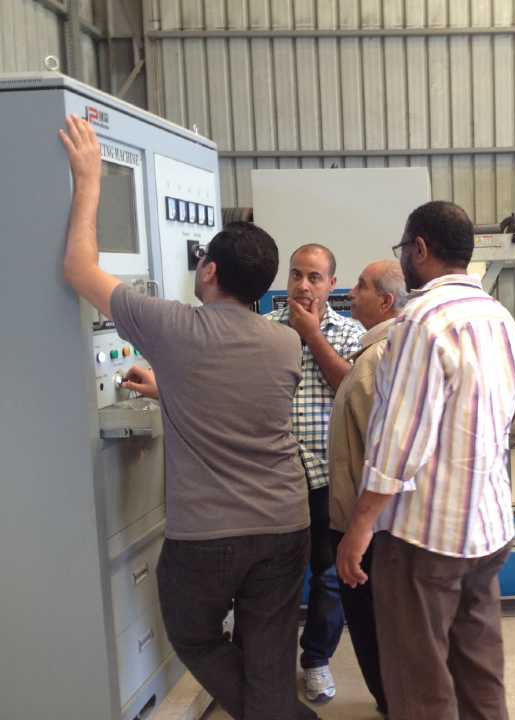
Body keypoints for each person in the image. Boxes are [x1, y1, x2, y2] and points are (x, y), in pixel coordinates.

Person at [58, 115, 314, 720]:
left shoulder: (173, 327)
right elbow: (235, 405)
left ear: (209, 271)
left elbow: (78, 269)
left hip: (208, 537)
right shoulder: (286, 343)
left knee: (194, 635)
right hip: (285, 523)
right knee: (270, 655)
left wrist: (89, 178)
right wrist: (165, 389)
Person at [336, 201, 515, 720]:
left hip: (424, 540)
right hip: (486, 530)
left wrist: (360, 526)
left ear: (419, 249)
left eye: (404, 248)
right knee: (479, 671)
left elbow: (397, 444)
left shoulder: (421, 322)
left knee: (419, 685)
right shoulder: (500, 318)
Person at [267, 244, 364, 703]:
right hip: (273, 478)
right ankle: (268, 665)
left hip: (328, 475)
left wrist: (312, 335)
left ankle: (316, 660)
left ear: (331, 285)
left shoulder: (350, 333)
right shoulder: (265, 330)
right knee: (271, 577)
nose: (303, 286)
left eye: (314, 277)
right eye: (296, 275)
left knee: (328, 577)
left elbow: (350, 386)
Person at [327, 260, 408, 716]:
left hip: (370, 528)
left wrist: (358, 529)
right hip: (365, 521)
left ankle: (394, 705)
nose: (351, 293)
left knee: (374, 627)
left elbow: (385, 455)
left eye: (361, 286)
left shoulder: (380, 359)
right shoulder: (374, 352)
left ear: (386, 301)